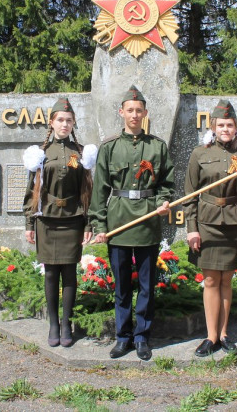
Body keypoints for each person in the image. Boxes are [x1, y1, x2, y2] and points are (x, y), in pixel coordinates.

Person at [89, 85, 175, 361]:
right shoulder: (110, 148)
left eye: (139, 111)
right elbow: (100, 190)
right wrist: (100, 227)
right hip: (118, 222)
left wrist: (163, 201)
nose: (134, 115)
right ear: (122, 112)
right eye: (130, 110)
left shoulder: (157, 147)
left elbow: (167, 184)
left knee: (147, 286)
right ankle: (123, 337)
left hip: (148, 222)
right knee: (122, 286)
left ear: (145, 113)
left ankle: (142, 338)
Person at [183, 100, 237, 357]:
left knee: (227, 279)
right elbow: (190, 194)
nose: (225, 129)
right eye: (221, 125)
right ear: (213, 127)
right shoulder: (199, 154)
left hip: (234, 225)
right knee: (211, 279)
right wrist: (191, 228)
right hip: (207, 224)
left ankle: (224, 335)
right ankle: (210, 336)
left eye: (230, 125)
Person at [23, 97, 96, 348]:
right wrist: (29, 225)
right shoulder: (40, 154)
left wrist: (88, 225)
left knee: (70, 274)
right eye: (60, 120)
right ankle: (53, 323)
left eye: (68, 120)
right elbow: (32, 192)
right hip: (47, 221)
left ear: (73, 123)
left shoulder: (81, 153)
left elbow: (88, 192)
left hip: (73, 220)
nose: (64, 124)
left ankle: (67, 322)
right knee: (51, 273)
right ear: (51, 123)